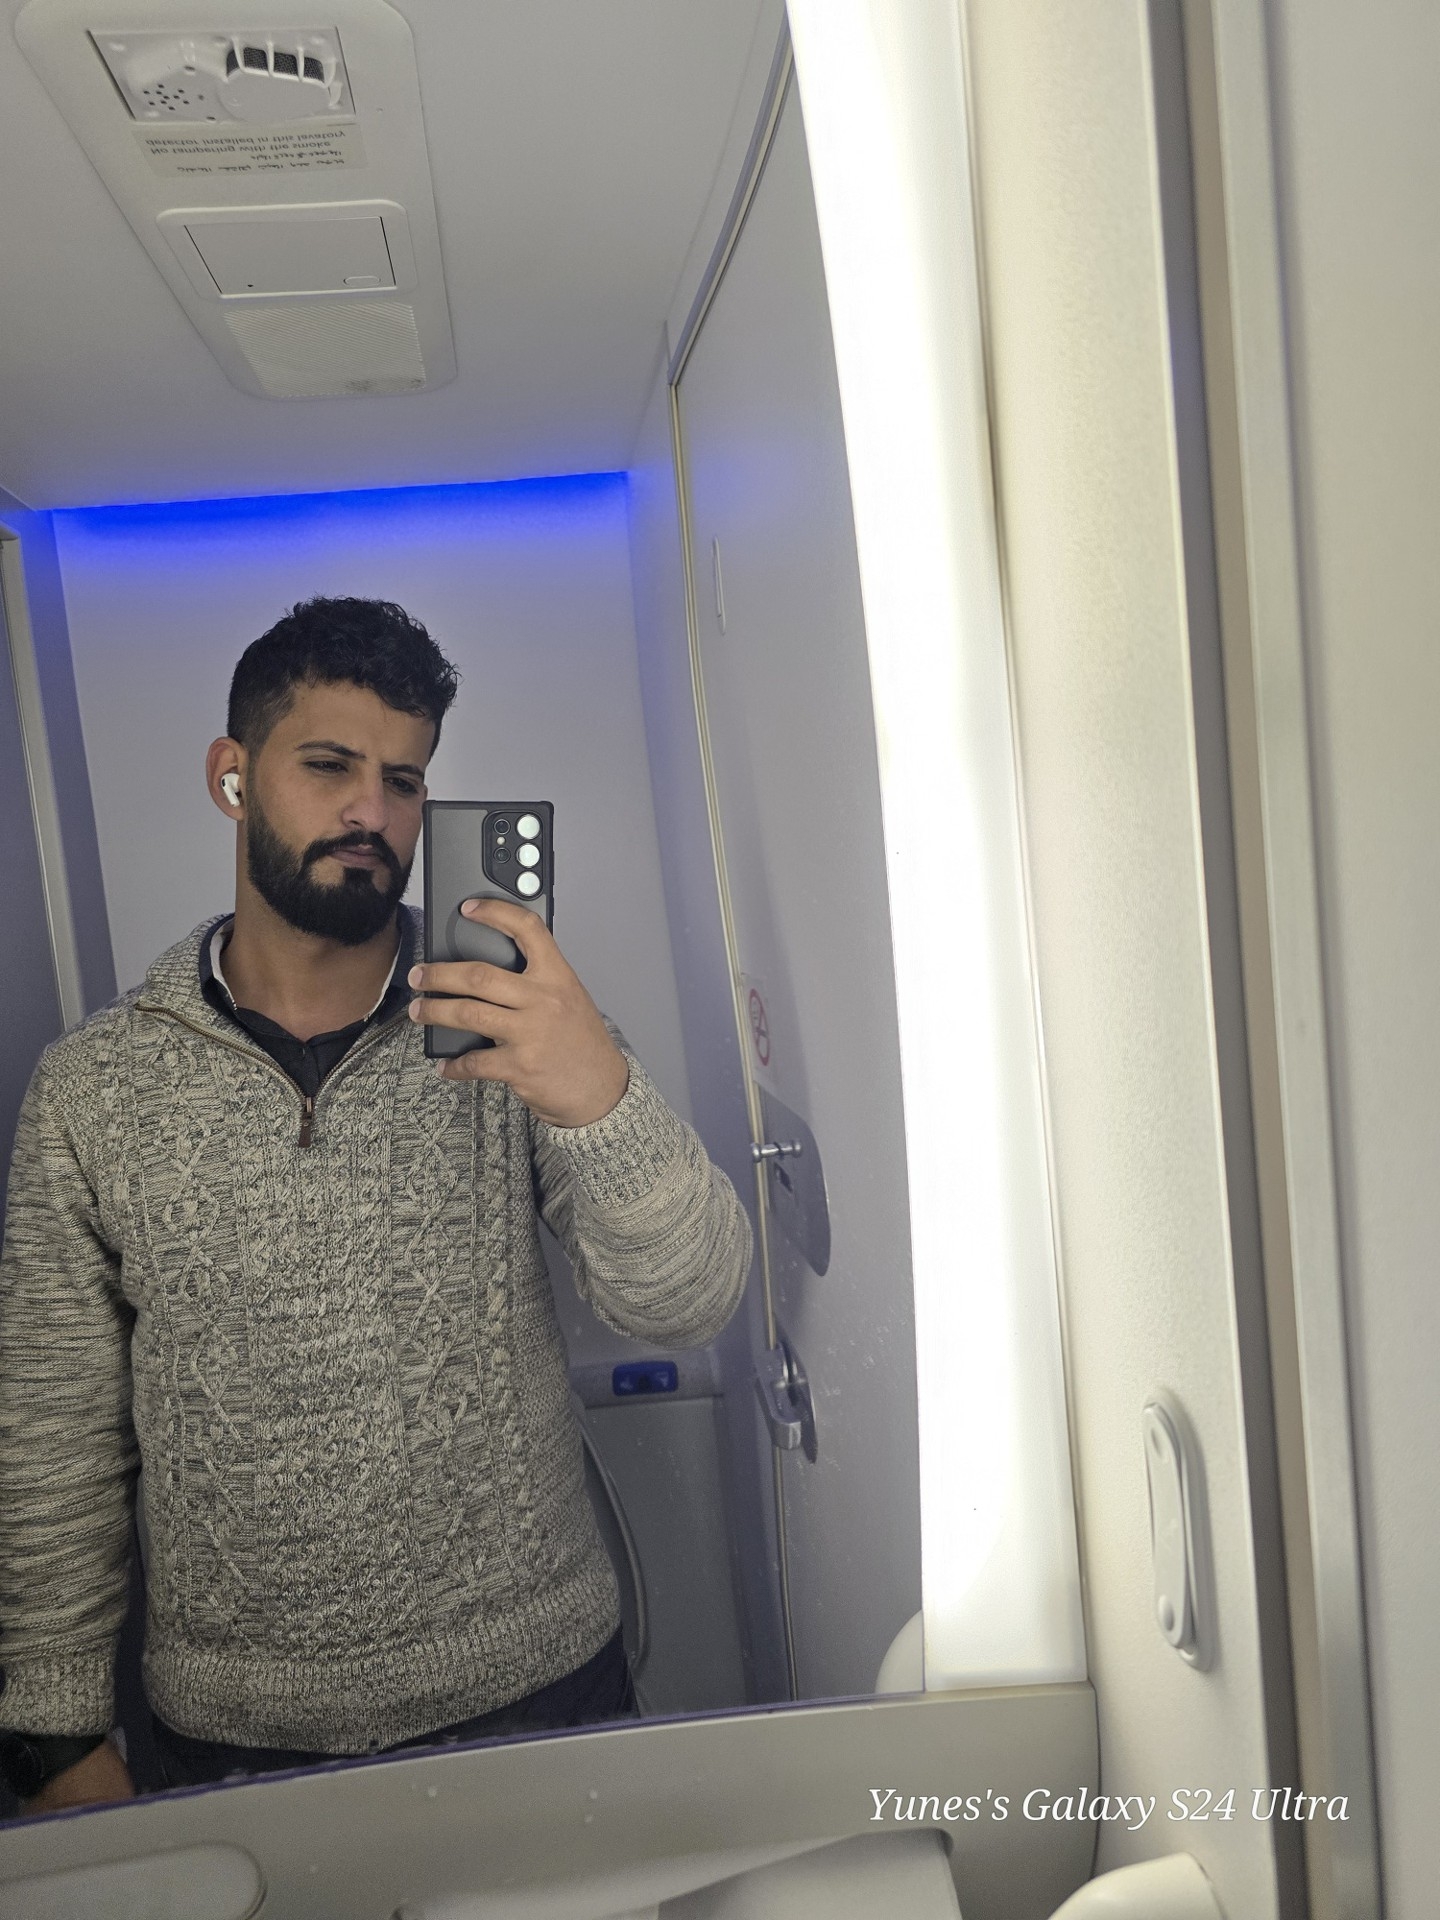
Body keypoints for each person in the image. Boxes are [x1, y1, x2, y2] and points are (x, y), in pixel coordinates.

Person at [0, 597, 751, 1812]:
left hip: (540, 1690)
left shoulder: (518, 1029)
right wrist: (52, 1732)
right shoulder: (94, 1089)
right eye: (329, 766)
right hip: (233, 1735)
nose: (372, 813)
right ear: (232, 775)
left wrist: (597, 1094)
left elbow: (688, 1298)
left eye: (404, 781)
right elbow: (53, 1425)